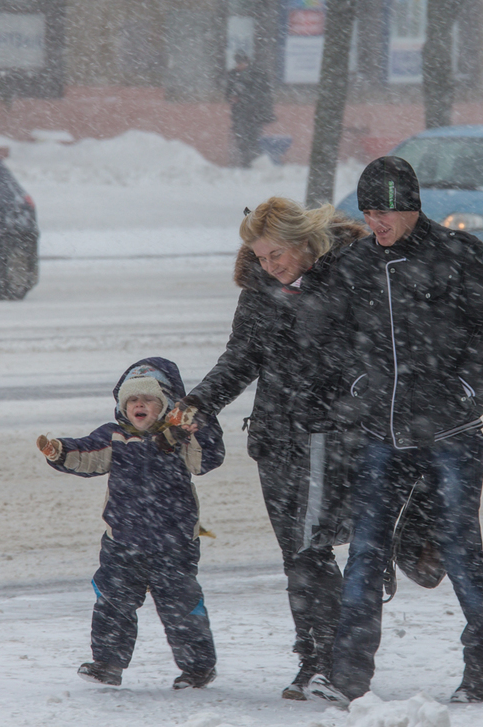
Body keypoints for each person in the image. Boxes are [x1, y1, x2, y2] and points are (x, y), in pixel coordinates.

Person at [322, 156, 483, 704]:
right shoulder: (356, 264)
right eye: (368, 212)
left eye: (384, 212)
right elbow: (335, 342)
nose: (376, 223)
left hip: (451, 436)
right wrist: (358, 385)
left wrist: (463, 386)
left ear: (411, 207)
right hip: (379, 435)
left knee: (461, 550)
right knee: (365, 551)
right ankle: (347, 675)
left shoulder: (457, 255)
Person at [173, 198, 367, 701]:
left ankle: (328, 658)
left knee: (311, 546)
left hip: (330, 433)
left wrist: (349, 404)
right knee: (296, 553)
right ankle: (317, 654)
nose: (269, 265)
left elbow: (373, 353)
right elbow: (242, 356)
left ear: (303, 241)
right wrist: (199, 402)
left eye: (275, 254)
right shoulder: (262, 289)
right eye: (260, 257)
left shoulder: (348, 277)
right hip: (275, 436)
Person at [37, 357, 225, 690]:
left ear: (164, 405)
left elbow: (204, 460)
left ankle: (198, 668)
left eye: (148, 399)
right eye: (132, 400)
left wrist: (196, 428)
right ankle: (106, 664)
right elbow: (86, 453)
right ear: (123, 407)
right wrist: (59, 451)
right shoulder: (115, 437)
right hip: (122, 541)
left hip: (174, 543)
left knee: (181, 606)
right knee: (113, 602)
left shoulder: (177, 436)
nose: (139, 405)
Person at [225, 52, 275, 167]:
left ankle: (252, 163)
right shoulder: (233, 75)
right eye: (238, 63)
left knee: (252, 139)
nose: (239, 65)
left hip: (253, 114)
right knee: (242, 140)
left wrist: (242, 97)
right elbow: (228, 93)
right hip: (239, 114)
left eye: (241, 63)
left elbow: (260, 95)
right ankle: (246, 162)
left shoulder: (257, 75)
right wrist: (232, 97)